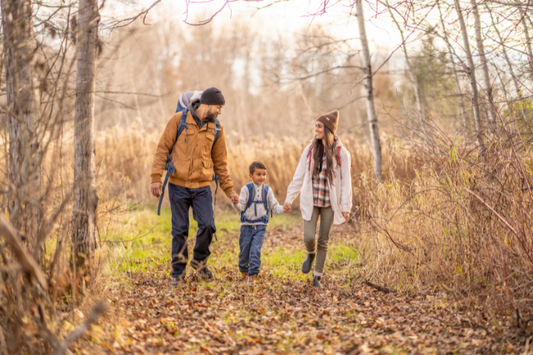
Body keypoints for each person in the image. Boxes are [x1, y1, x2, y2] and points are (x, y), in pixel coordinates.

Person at [150, 87, 239, 285]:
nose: (220, 111)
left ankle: (199, 263)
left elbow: (221, 164)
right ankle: (178, 273)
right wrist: (156, 177)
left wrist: (230, 190)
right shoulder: (178, 120)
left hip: (202, 187)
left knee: (208, 225)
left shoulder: (217, 129)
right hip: (178, 185)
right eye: (218, 107)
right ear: (206, 104)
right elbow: (162, 149)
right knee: (179, 229)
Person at [283, 111, 352, 289]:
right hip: (311, 200)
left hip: (330, 203)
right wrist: (290, 198)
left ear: (328, 129)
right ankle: (310, 253)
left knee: (323, 240)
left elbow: (346, 182)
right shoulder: (310, 149)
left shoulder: (341, 153)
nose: (316, 129)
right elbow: (298, 176)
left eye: (319, 126)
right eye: (316, 126)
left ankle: (317, 277)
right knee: (308, 237)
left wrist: (346, 206)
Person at [233, 162, 284, 282]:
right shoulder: (246, 189)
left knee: (255, 250)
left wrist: (284, 208)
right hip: (246, 226)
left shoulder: (267, 190)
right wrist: (235, 202)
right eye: (258, 174)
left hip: (261, 226)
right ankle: (244, 270)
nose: (262, 177)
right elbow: (240, 208)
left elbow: (275, 206)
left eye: (264, 174)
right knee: (244, 251)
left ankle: (253, 275)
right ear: (251, 175)